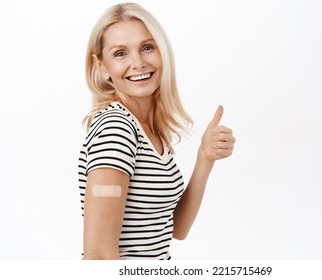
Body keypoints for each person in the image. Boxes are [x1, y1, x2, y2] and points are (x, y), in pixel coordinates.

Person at [78, 2, 235, 260]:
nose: (138, 63)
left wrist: (204, 158)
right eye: (120, 53)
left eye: (147, 47)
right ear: (102, 66)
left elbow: (176, 228)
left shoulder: (147, 130)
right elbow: (98, 256)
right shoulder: (116, 130)